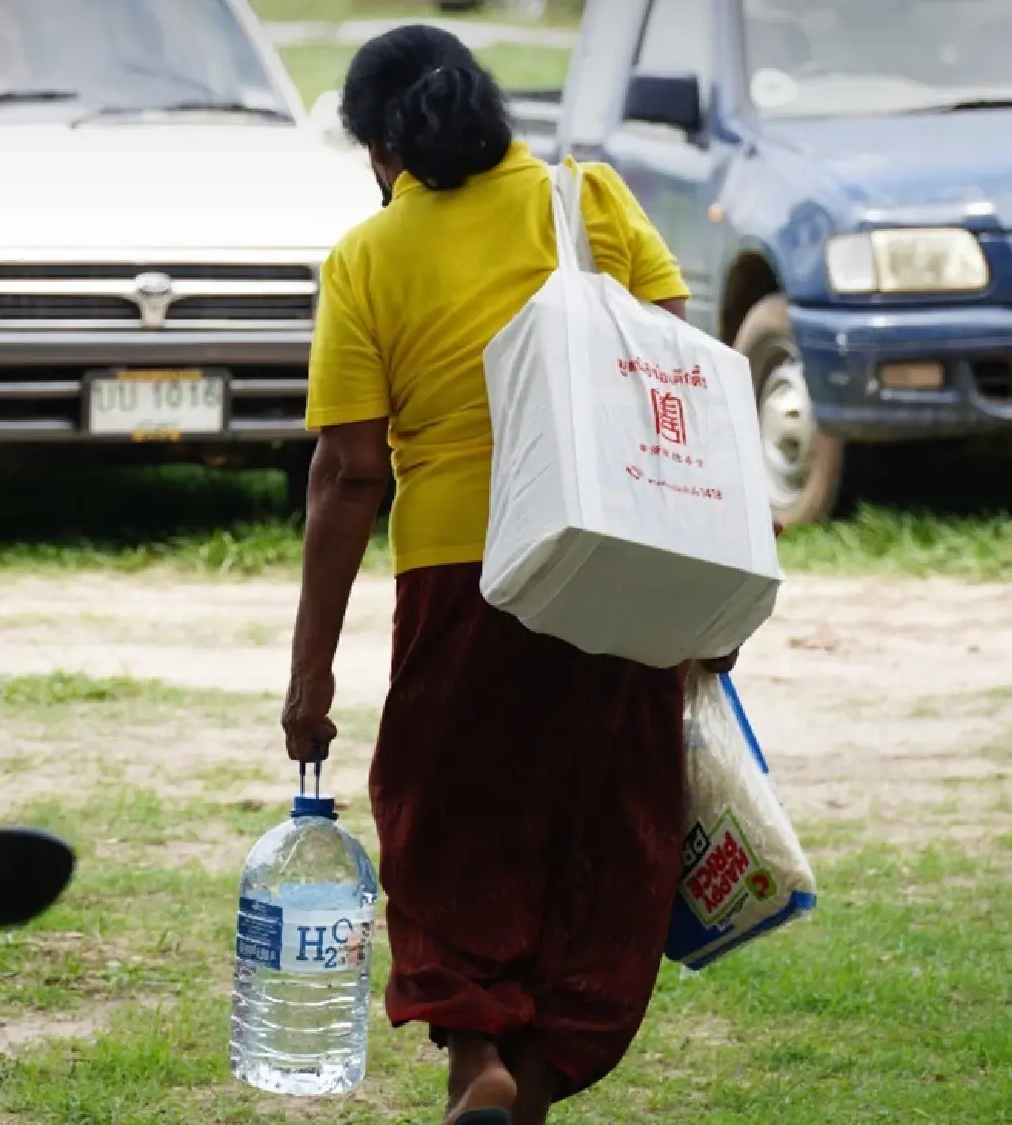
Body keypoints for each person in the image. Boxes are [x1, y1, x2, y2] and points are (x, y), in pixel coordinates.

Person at [280, 26, 762, 1125]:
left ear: (377, 151)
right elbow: (670, 395)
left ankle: (476, 1063)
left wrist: (308, 682)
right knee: (607, 832)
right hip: (616, 566)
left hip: (462, 580)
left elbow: (347, 476)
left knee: (448, 823)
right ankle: (524, 1083)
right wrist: (708, 599)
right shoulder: (587, 199)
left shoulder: (367, 256)